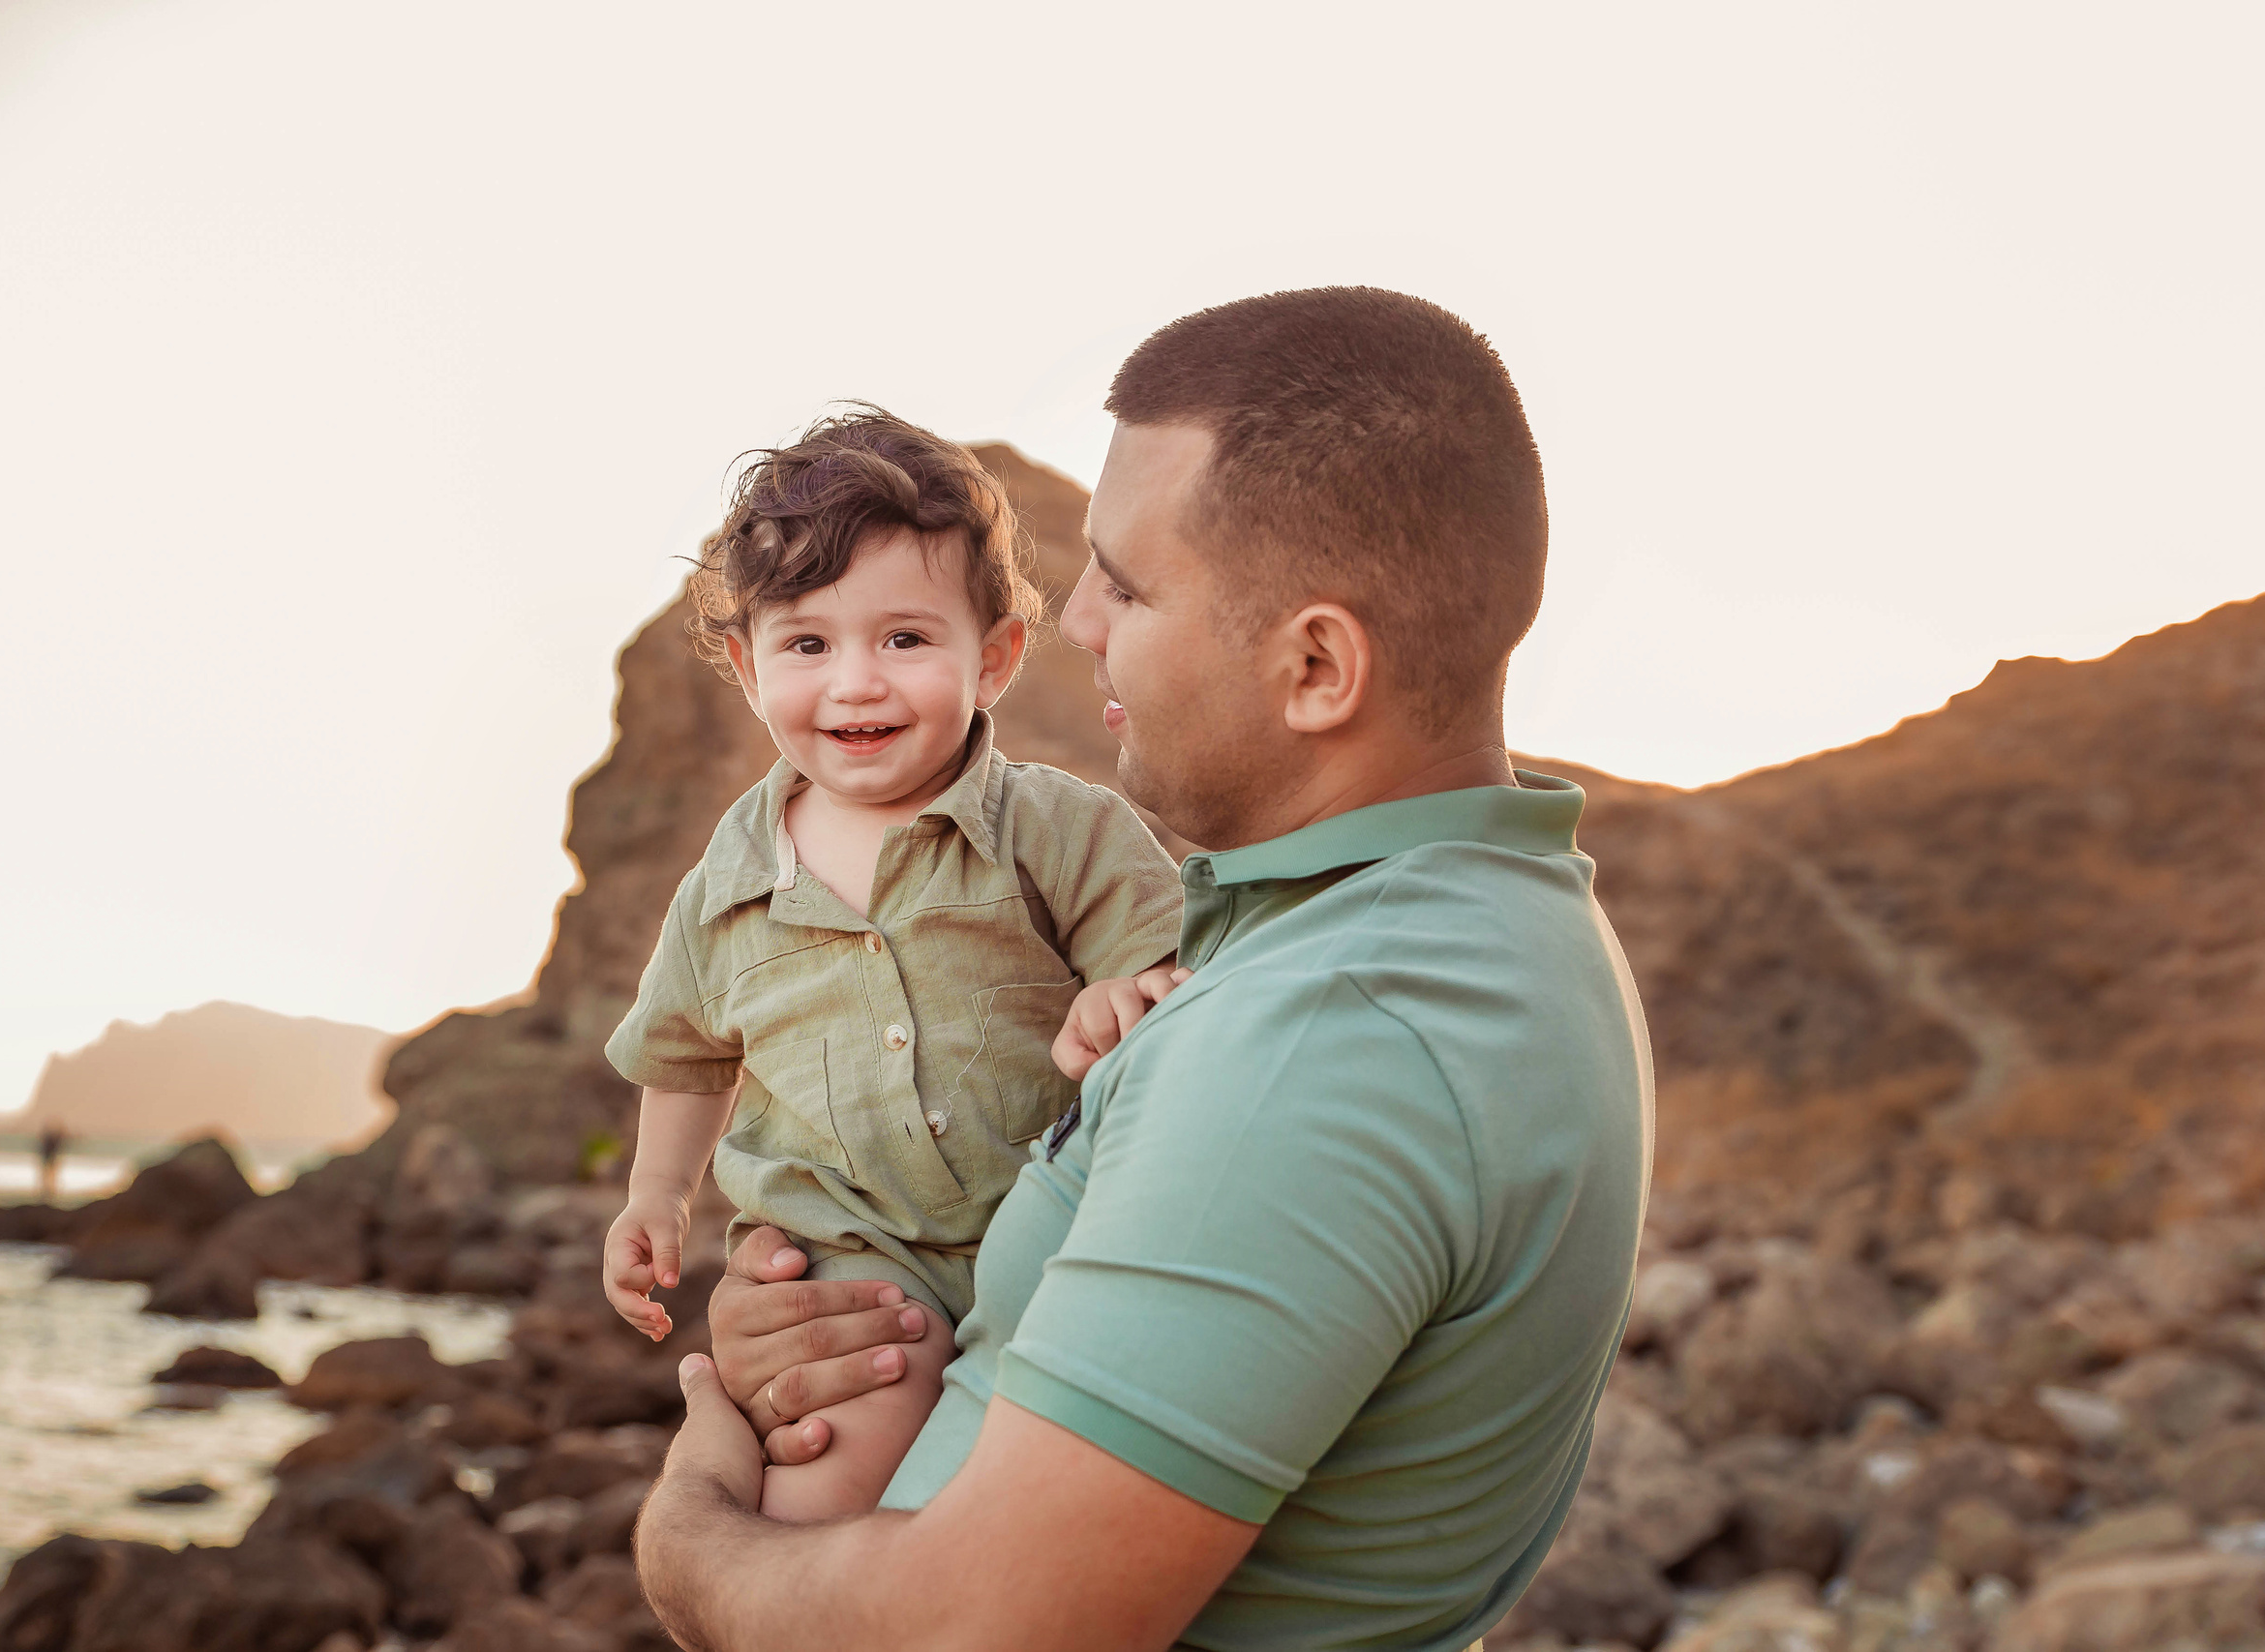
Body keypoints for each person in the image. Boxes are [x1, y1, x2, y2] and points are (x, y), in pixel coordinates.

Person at [633, 287, 1656, 1652]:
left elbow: (976, 1632)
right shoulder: (1475, 917)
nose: (1081, 622)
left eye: (1129, 579)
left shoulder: (1324, 1038)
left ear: (1315, 665)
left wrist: (695, 1522)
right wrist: (834, 1310)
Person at [598, 408, 1188, 1521]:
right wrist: (656, 1197)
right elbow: (685, 1056)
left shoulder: (1053, 829)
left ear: (995, 657)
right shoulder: (727, 884)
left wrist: (1125, 990)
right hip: (848, 1267)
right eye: (807, 645)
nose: (856, 684)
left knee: (1045, 1503)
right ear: (745, 663)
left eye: (904, 640)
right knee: (830, 1472)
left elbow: (1159, 958)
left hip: (1049, 1243)